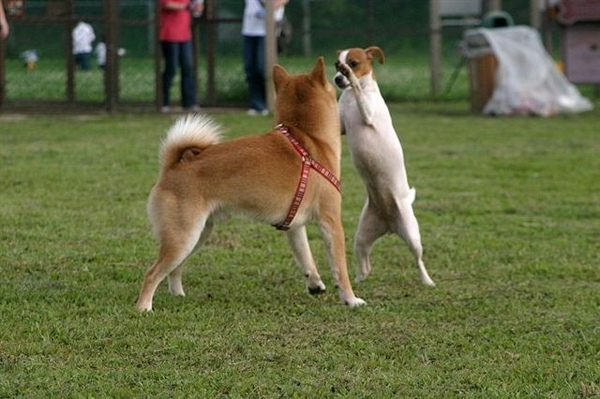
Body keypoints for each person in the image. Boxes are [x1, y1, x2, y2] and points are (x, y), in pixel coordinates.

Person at [242, 0, 288, 116]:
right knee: (250, 67)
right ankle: (256, 104)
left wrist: (270, 9)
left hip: (267, 29)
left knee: (262, 67)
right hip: (249, 28)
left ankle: (270, 102)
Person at [159, 0, 204, 113]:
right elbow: (166, 4)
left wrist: (197, 7)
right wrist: (187, 6)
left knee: (187, 67)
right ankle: (163, 101)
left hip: (185, 35)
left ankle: (189, 102)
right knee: (171, 68)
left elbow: (197, 9)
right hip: (169, 35)